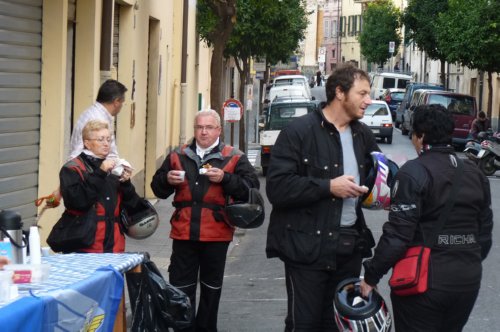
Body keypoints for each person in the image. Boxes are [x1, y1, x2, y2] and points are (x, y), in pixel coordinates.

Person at [265, 64, 381, 331]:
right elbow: (278, 188)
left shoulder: (363, 135)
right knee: (303, 324)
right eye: (362, 93)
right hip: (306, 250)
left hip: (348, 250)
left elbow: (379, 179)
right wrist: (328, 187)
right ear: (340, 92)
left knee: (338, 325)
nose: (368, 100)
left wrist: (381, 191)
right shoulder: (299, 132)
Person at [361, 104, 493, 332]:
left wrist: (371, 276)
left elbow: (397, 236)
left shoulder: (414, 172)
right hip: (467, 279)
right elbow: (484, 233)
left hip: (424, 281)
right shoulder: (475, 173)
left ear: (420, 136)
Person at [150, 109, 259, 331]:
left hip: (217, 232)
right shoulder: (177, 155)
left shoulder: (233, 156)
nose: (204, 132)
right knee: (181, 288)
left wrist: (226, 178)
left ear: (218, 130)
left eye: (209, 127)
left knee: (211, 289)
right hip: (183, 231)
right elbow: (157, 189)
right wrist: (167, 180)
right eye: (199, 127)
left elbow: (252, 189)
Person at [59, 120, 140, 253]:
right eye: (100, 139)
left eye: (109, 139)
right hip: (85, 245)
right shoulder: (72, 168)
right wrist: (100, 173)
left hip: (114, 245)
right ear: (87, 143)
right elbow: (77, 202)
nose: (106, 143)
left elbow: (133, 206)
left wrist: (126, 183)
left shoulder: (114, 167)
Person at [69, 79, 128, 160]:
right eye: (122, 102)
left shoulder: (92, 113)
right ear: (116, 102)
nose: (106, 144)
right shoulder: (97, 120)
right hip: (90, 170)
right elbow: (78, 153)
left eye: (108, 140)